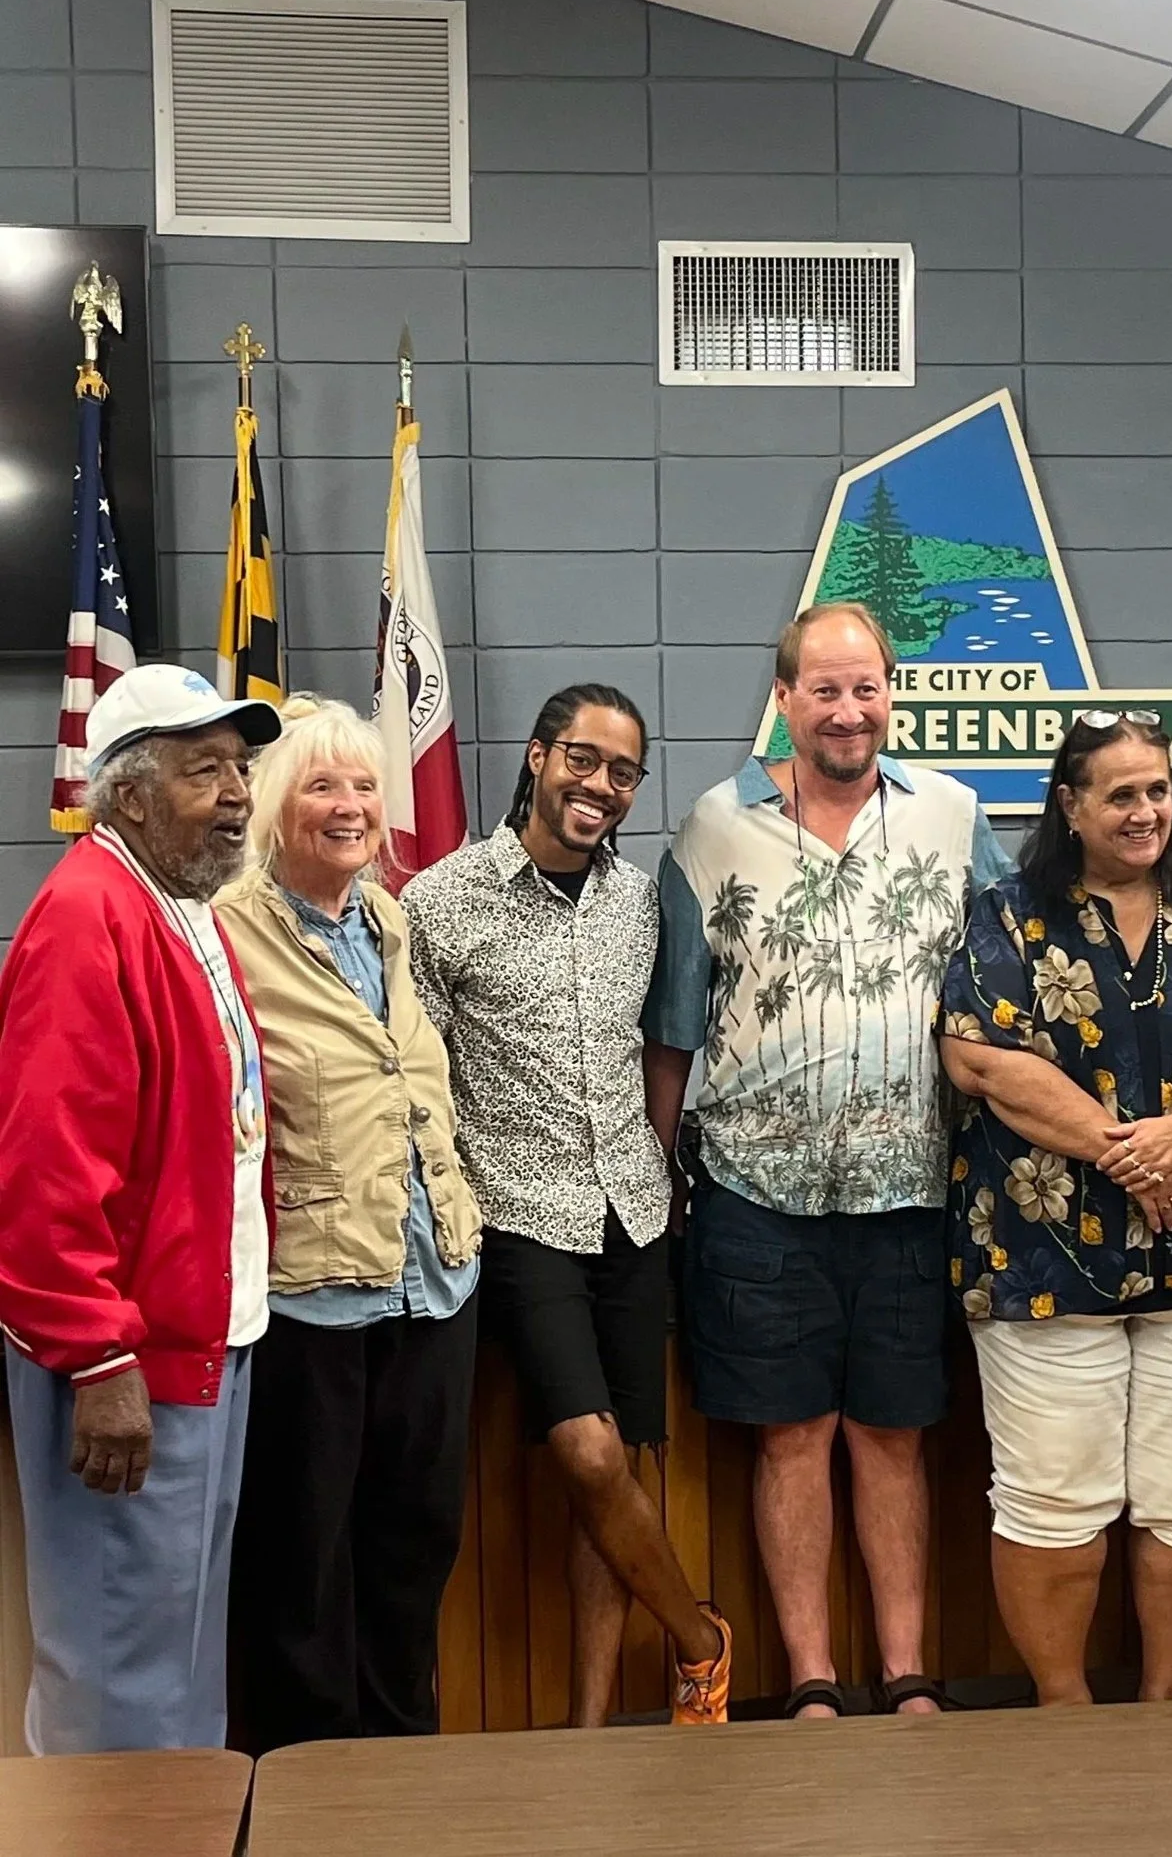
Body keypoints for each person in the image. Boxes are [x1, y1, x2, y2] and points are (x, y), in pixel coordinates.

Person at [645, 602, 1008, 1719]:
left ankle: (904, 1671)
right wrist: (660, 1179)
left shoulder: (954, 818)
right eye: (824, 689)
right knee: (791, 1435)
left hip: (913, 1186)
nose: (847, 709)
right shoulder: (713, 827)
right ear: (786, 699)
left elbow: (1005, 990)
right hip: (758, 1194)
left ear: (891, 693)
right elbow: (674, 1026)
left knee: (893, 1435)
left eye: (866, 688)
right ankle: (808, 1674)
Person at [407, 684, 732, 1728]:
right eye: (583, 760)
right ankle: (700, 1638)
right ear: (540, 757)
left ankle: (592, 1729)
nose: (601, 785)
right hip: (515, 1215)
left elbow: (659, 1046)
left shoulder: (638, 899)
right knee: (587, 1454)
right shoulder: (442, 900)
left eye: (624, 771)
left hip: (633, 1211)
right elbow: (415, 1075)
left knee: (625, 1471)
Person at [940, 712, 1172, 1704]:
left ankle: (1163, 1712)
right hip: (1045, 1257)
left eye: (1157, 790)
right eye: (1119, 793)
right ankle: (1065, 1711)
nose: (1143, 811)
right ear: (1071, 804)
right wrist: (1133, 1154)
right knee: (1053, 1500)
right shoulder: (1005, 914)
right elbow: (976, 1054)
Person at [0, 663, 281, 1754]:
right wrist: (98, 1357)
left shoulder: (179, 905)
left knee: (175, 1651)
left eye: (240, 767)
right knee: (119, 1669)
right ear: (126, 794)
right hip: (127, 1363)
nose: (236, 793)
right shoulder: (86, 914)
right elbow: (46, 1166)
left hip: (201, 1338)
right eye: (202, 769)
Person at [214, 697, 481, 1751]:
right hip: (311, 1298)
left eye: (366, 786)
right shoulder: (229, 933)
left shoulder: (391, 920)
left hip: (432, 1281)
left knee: (414, 1546)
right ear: (279, 806)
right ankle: (308, 1785)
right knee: (302, 1565)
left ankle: (401, 1773)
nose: (352, 806)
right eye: (324, 786)